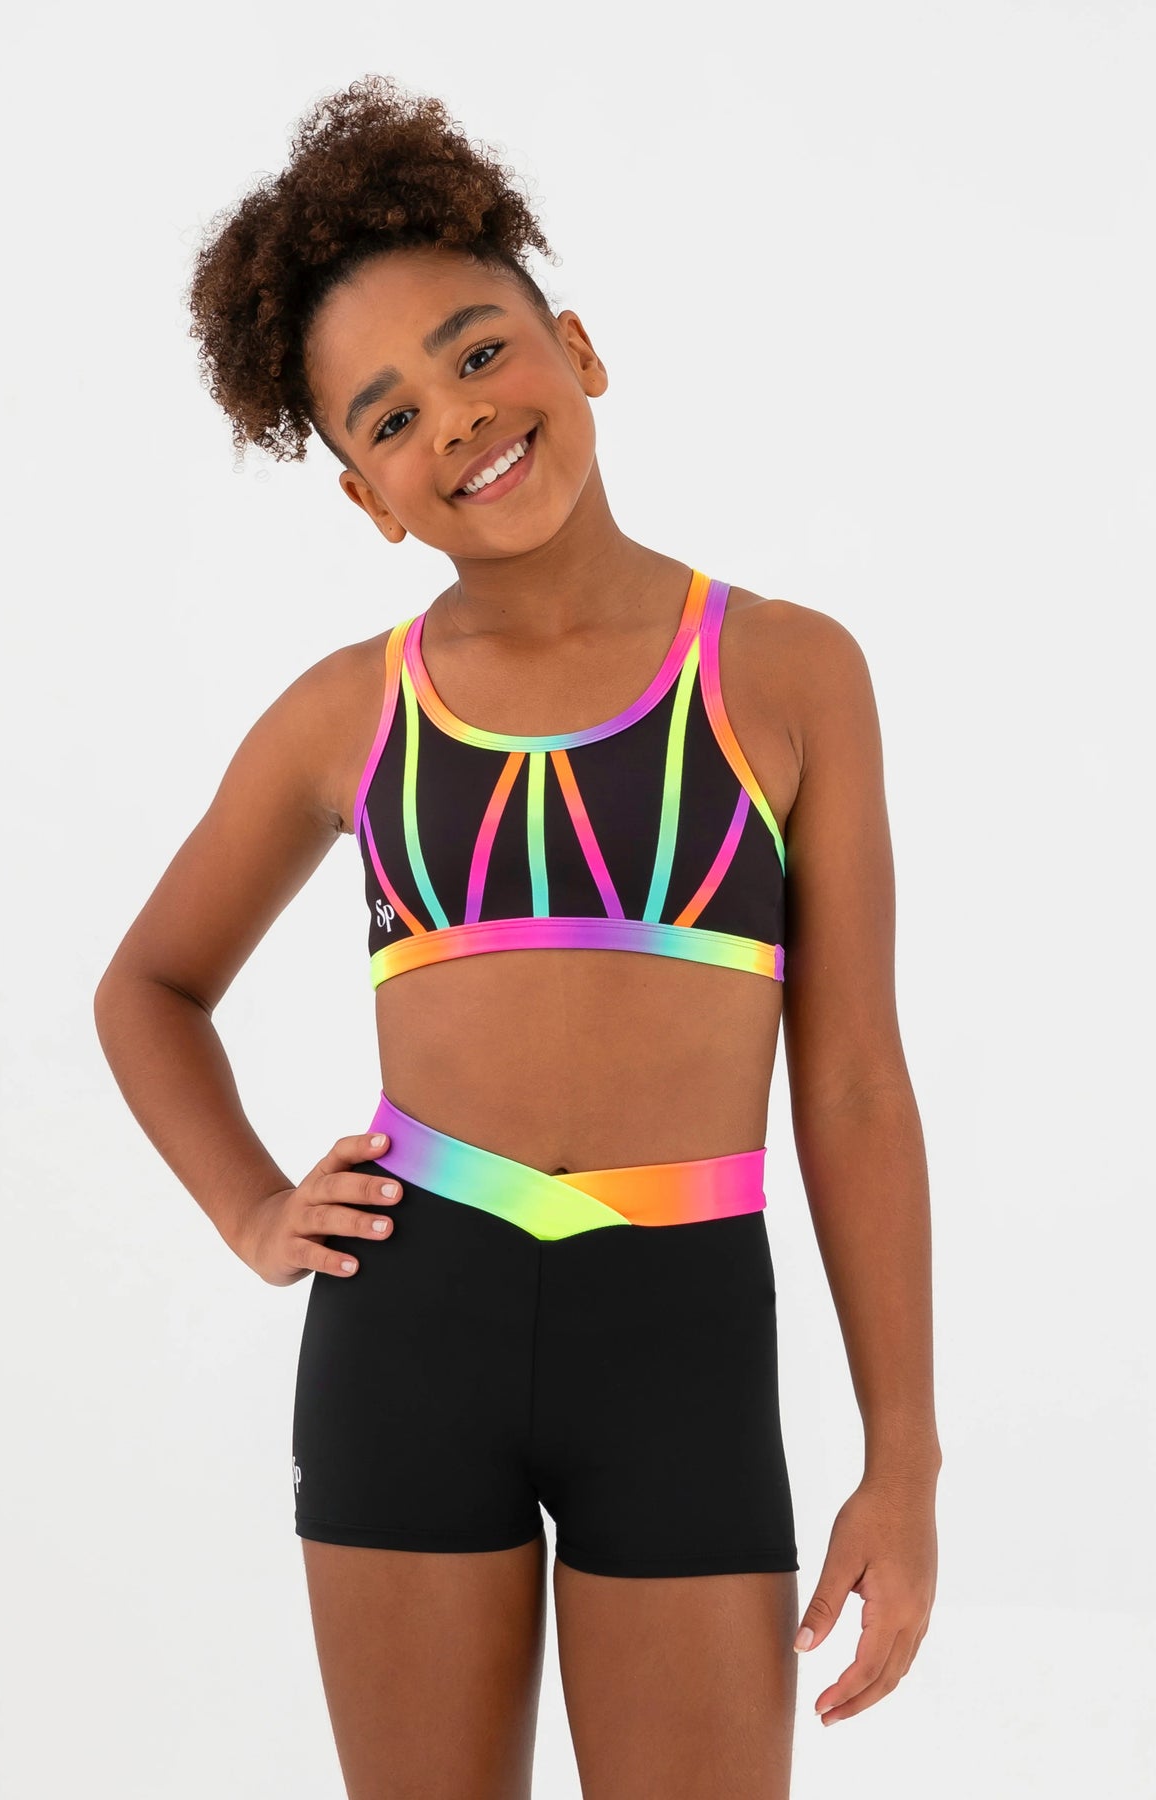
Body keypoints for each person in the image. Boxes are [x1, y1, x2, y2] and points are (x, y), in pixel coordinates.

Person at [94, 72, 941, 1800]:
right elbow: (149, 988)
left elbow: (853, 1084)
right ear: (369, 499)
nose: (460, 419)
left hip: (682, 1338)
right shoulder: (348, 714)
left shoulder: (791, 674)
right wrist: (254, 1209)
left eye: (479, 351)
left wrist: (904, 1456)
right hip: (412, 1331)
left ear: (578, 346)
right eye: (390, 417)